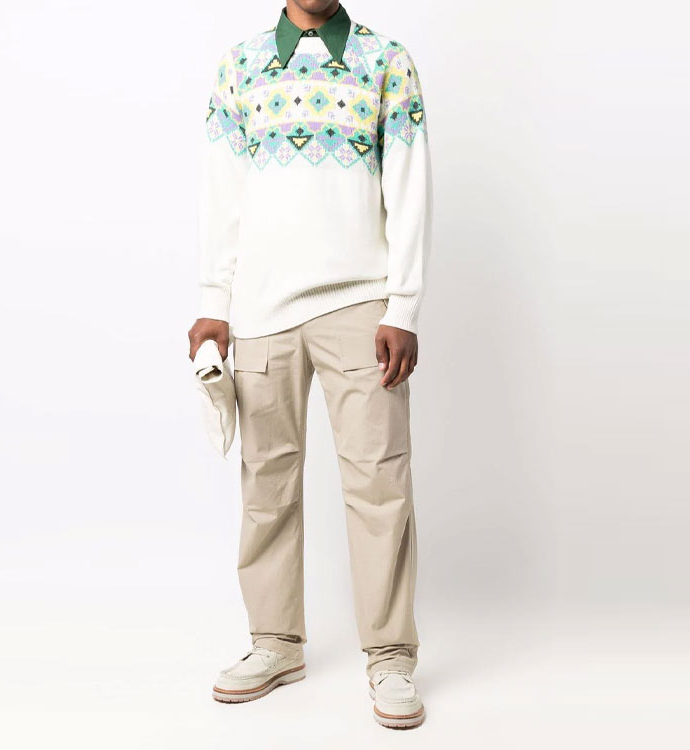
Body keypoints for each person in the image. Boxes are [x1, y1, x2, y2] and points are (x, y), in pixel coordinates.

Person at [189, 0, 432, 729]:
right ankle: (275, 643)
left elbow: (409, 187)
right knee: (266, 484)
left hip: (361, 303)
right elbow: (221, 194)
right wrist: (214, 300)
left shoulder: (386, 61)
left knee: (379, 483)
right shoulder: (240, 66)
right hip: (261, 308)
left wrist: (403, 307)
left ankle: (391, 657)